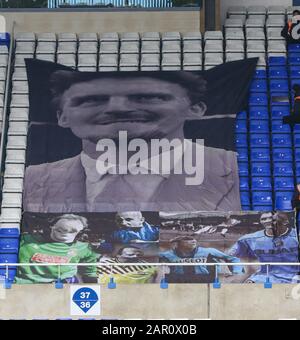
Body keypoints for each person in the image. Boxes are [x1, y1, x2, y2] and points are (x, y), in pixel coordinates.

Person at [23, 71, 241, 213]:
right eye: (92, 100)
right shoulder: (32, 180)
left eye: (147, 97)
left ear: (196, 109)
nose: (118, 108)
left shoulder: (232, 167)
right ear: (62, 117)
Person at [15, 214, 99, 284]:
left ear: (80, 233)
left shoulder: (84, 247)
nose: (65, 232)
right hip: (25, 285)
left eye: (72, 230)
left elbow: (89, 273)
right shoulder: (26, 240)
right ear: (52, 226)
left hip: (61, 287)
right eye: (60, 230)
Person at [229, 212, 300, 284]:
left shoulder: (296, 236)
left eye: (271, 218)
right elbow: (230, 256)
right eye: (263, 219)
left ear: (285, 221)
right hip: (266, 276)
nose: (267, 221)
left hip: (295, 276)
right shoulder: (249, 239)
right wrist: (244, 272)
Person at [160, 236, 243, 283]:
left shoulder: (208, 251)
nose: (193, 241)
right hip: (178, 282)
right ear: (178, 243)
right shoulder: (167, 254)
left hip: (205, 281)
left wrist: (236, 272)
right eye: (187, 240)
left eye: (193, 240)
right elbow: (152, 264)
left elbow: (233, 259)